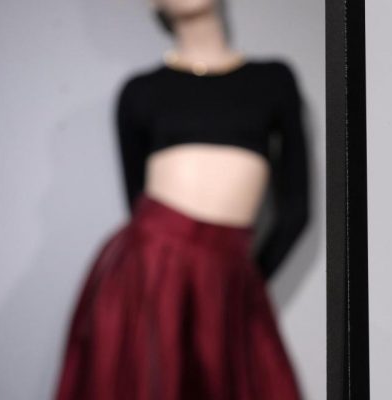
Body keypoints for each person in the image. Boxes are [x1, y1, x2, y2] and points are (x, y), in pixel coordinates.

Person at [53, 0, 309, 398]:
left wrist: (240, 282)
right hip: (150, 275)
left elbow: (295, 210)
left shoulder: (273, 81)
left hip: (229, 280)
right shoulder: (140, 93)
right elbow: (138, 205)